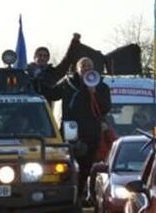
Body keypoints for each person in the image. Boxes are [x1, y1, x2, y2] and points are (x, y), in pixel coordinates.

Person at [42, 57, 112, 203]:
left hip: (91, 133)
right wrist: (41, 77)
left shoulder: (101, 86)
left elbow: (105, 108)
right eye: (83, 66)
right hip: (70, 132)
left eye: (89, 66)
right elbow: (51, 94)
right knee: (68, 165)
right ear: (77, 69)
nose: (86, 68)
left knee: (87, 166)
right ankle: (67, 194)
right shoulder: (68, 84)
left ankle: (81, 195)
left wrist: (93, 92)